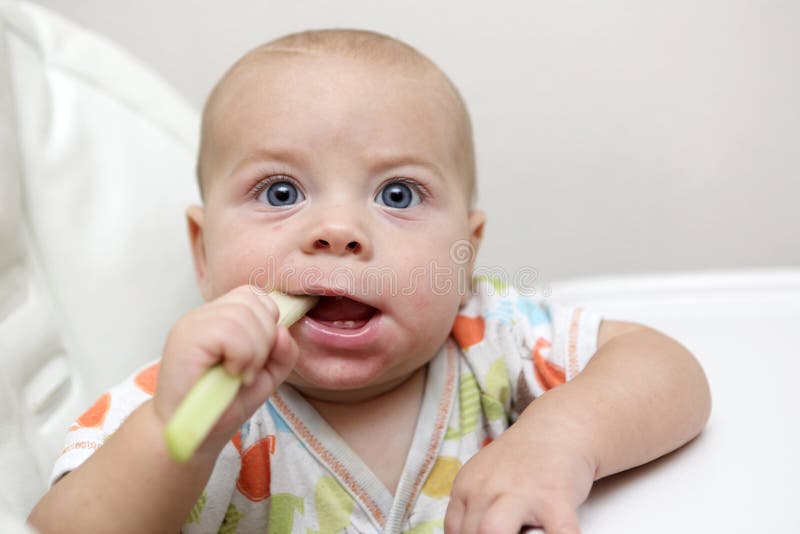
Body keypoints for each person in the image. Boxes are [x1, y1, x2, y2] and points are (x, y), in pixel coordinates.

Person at [28, 29, 711, 534]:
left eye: (398, 196)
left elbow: (668, 371)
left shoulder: (487, 338)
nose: (338, 229)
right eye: (279, 190)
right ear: (204, 252)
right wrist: (173, 442)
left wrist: (559, 441)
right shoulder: (185, 400)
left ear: (464, 256)